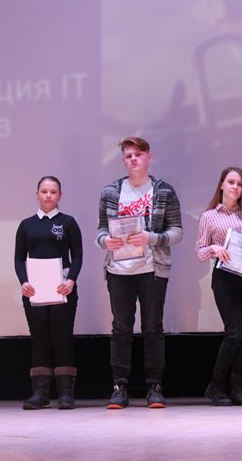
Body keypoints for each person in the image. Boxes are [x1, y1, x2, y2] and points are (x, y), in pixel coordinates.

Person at [96, 136, 182, 409]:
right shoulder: (111, 192)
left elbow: (177, 232)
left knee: (152, 328)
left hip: (152, 269)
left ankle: (154, 386)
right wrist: (104, 241)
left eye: (138, 154)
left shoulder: (164, 191)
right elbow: (101, 230)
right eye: (128, 156)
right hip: (118, 269)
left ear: (148, 157)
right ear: (123, 161)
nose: (133, 159)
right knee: (121, 329)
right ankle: (119, 386)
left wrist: (150, 238)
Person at [14, 176, 82, 410]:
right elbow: (18, 258)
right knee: (40, 339)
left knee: (62, 338)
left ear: (60, 195)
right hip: (35, 291)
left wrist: (71, 280)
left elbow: (78, 255)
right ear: (37, 194)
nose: (48, 195)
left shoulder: (69, 223)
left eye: (53, 191)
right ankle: (40, 394)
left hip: (63, 289)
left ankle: (65, 394)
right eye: (44, 191)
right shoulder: (26, 225)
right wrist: (24, 282)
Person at [196, 167, 242, 406]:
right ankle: (215, 386)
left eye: (240, 184)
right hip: (224, 279)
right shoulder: (209, 216)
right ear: (222, 185)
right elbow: (199, 252)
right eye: (231, 182)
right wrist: (214, 248)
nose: (235, 187)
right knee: (234, 332)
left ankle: (236, 389)